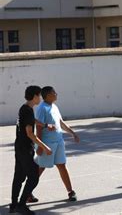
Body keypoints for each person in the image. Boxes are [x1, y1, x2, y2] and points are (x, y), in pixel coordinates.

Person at [10, 86, 52, 215]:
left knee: (19, 176)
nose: (40, 98)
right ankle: (21, 205)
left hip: (19, 146)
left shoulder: (24, 108)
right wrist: (45, 147)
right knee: (33, 177)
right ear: (34, 96)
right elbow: (30, 133)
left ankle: (14, 204)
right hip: (25, 148)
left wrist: (44, 125)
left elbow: (30, 121)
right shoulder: (28, 110)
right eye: (39, 95)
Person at [34, 86, 80, 202]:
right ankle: (27, 192)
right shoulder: (42, 108)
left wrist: (72, 133)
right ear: (48, 95)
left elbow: (60, 122)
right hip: (47, 143)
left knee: (62, 165)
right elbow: (38, 127)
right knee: (40, 168)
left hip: (59, 142)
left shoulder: (54, 106)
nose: (56, 94)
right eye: (54, 93)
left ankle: (70, 192)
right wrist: (40, 145)